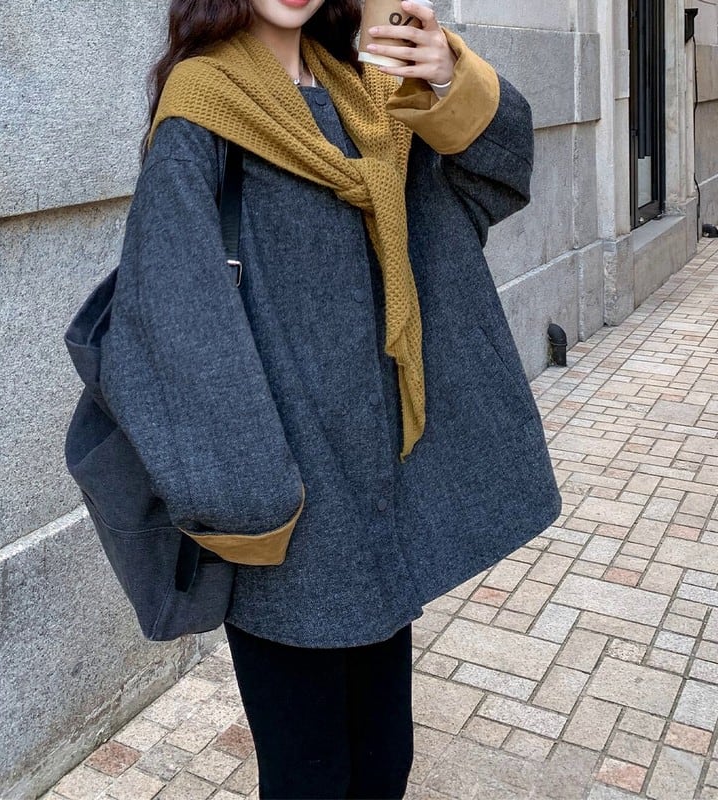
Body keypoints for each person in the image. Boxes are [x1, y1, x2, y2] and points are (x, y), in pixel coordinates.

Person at [99, 0, 562, 796]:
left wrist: (449, 81)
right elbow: (169, 324)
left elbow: (487, 187)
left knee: (384, 762)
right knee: (309, 776)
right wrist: (252, 495)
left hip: (383, 497)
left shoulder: (363, 96)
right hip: (289, 511)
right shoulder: (202, 108)